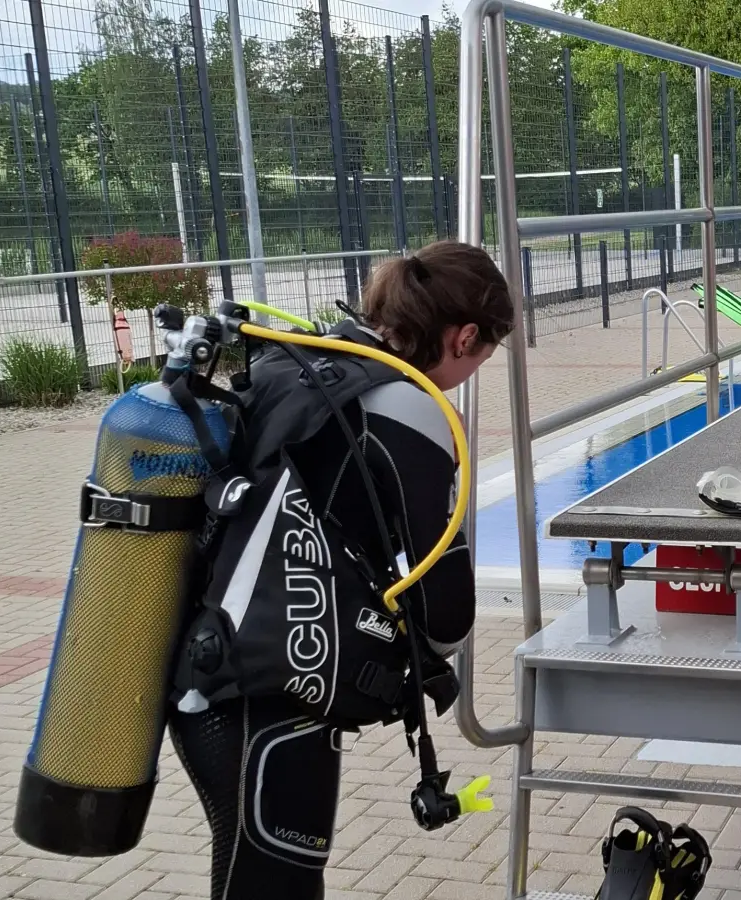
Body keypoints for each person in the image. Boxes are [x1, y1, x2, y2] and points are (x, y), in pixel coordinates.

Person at [167, 239, 515, 900]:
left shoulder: (311, 365)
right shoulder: (410, 406)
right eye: (485, 354)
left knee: (255, 881)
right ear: (465, 337)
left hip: (211, 675)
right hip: (268, 700)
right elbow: (448, 615)